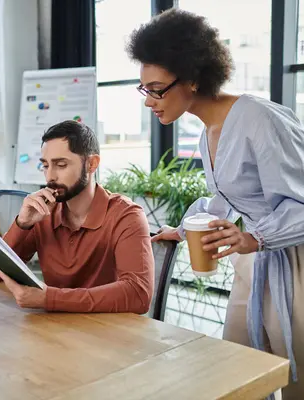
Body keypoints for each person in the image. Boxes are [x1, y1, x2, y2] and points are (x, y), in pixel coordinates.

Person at [128, 9, 304, 398]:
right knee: (239, 375)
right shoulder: (209, 126)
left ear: (192, 77)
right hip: (252, 265)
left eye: (156, 89)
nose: (149, 101)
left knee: (295, 381)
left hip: (293, 268)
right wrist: (188, 226)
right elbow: (231, 196)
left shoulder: (260, 119)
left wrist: (255, 237)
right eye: (144, 90)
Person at [0, 120, 154, 313]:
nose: (50, 176)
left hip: (108, 333)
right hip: (54, 328)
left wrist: (49, 298)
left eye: (61, 165)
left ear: (92, 164)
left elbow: (139, 295)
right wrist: (22, 224)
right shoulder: (44, 213)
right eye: (45, 166)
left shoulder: (127, 216)